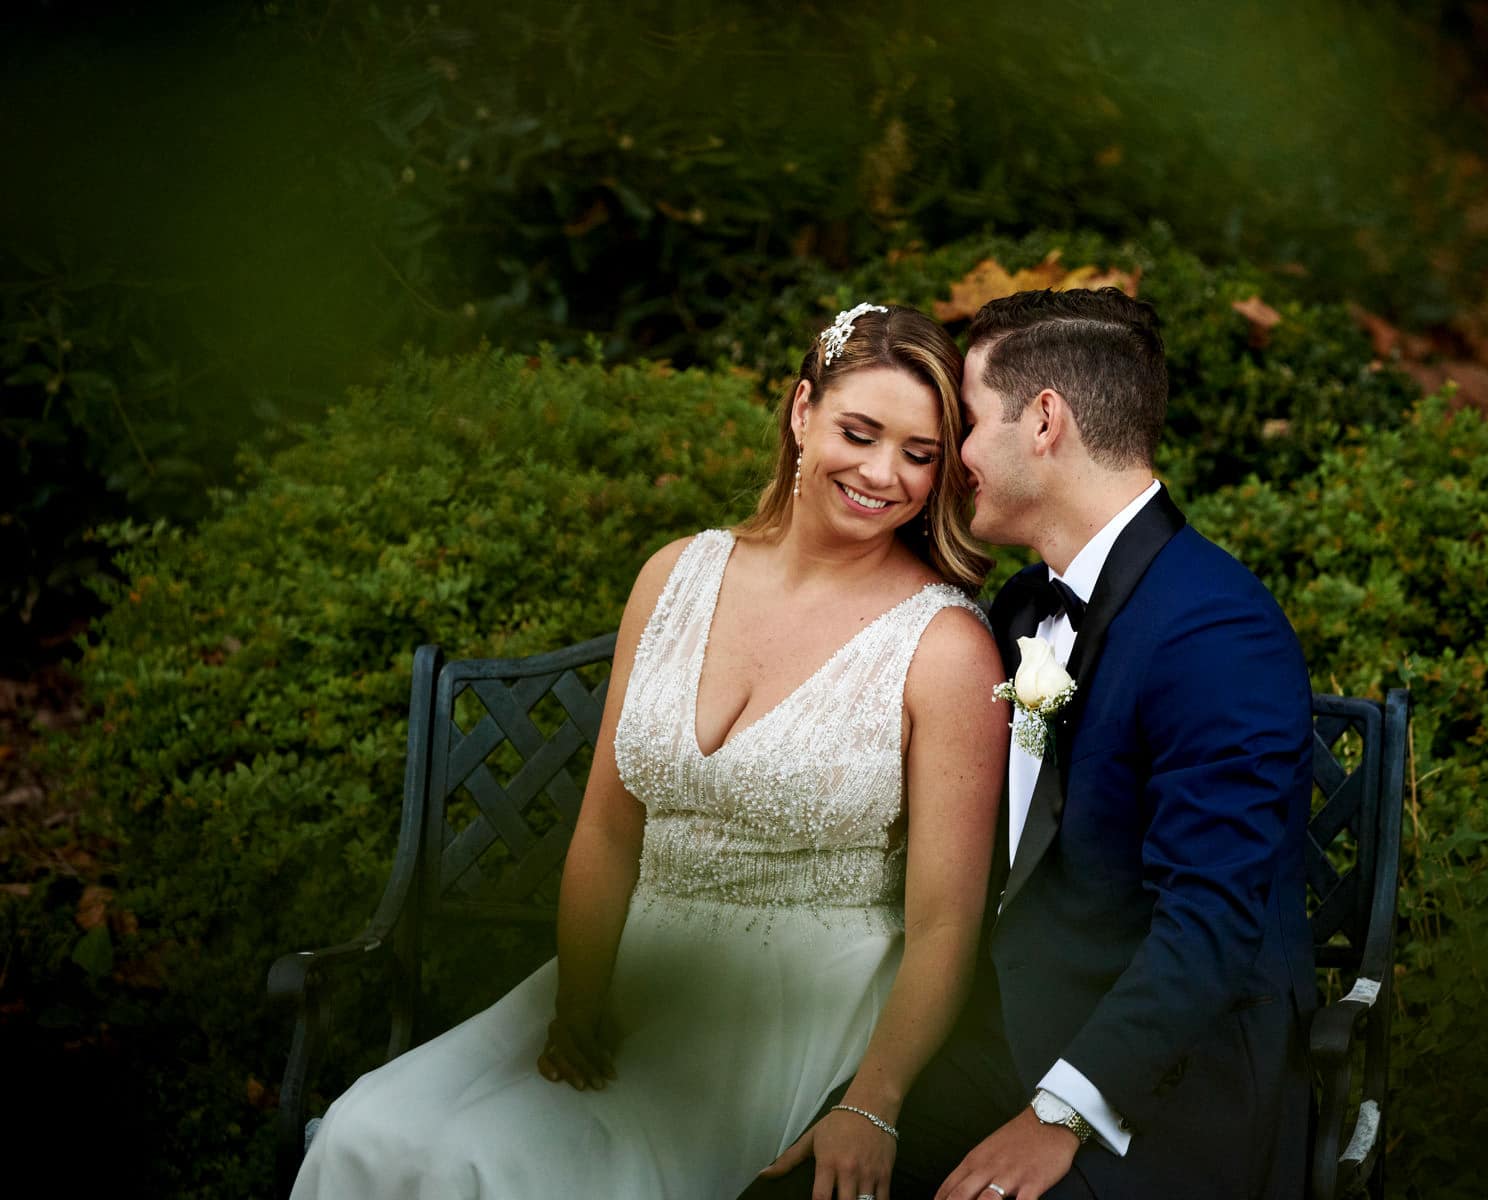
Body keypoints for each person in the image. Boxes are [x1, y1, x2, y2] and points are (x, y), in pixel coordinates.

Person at [291, 302, 1010, 1200]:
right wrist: (578, 1001)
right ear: (800, 412)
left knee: (498, 1164)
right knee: (371, 1130)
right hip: (629, 965)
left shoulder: (944, 647)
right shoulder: (674, 576)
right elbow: (606, 827)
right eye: (859, 432)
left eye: (919, 453)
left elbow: (947, 922)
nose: (881, 473)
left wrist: (874, 1101)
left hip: (790, 1005)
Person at [752, 287, 1316, 1200]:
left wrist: (1058, 1114)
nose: (955, 459)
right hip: (1003, 1049)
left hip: (1161, 1094)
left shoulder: (1215, 630)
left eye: (966, 425)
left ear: (1043, 421)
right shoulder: (1020, 609)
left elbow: (1208, 925)